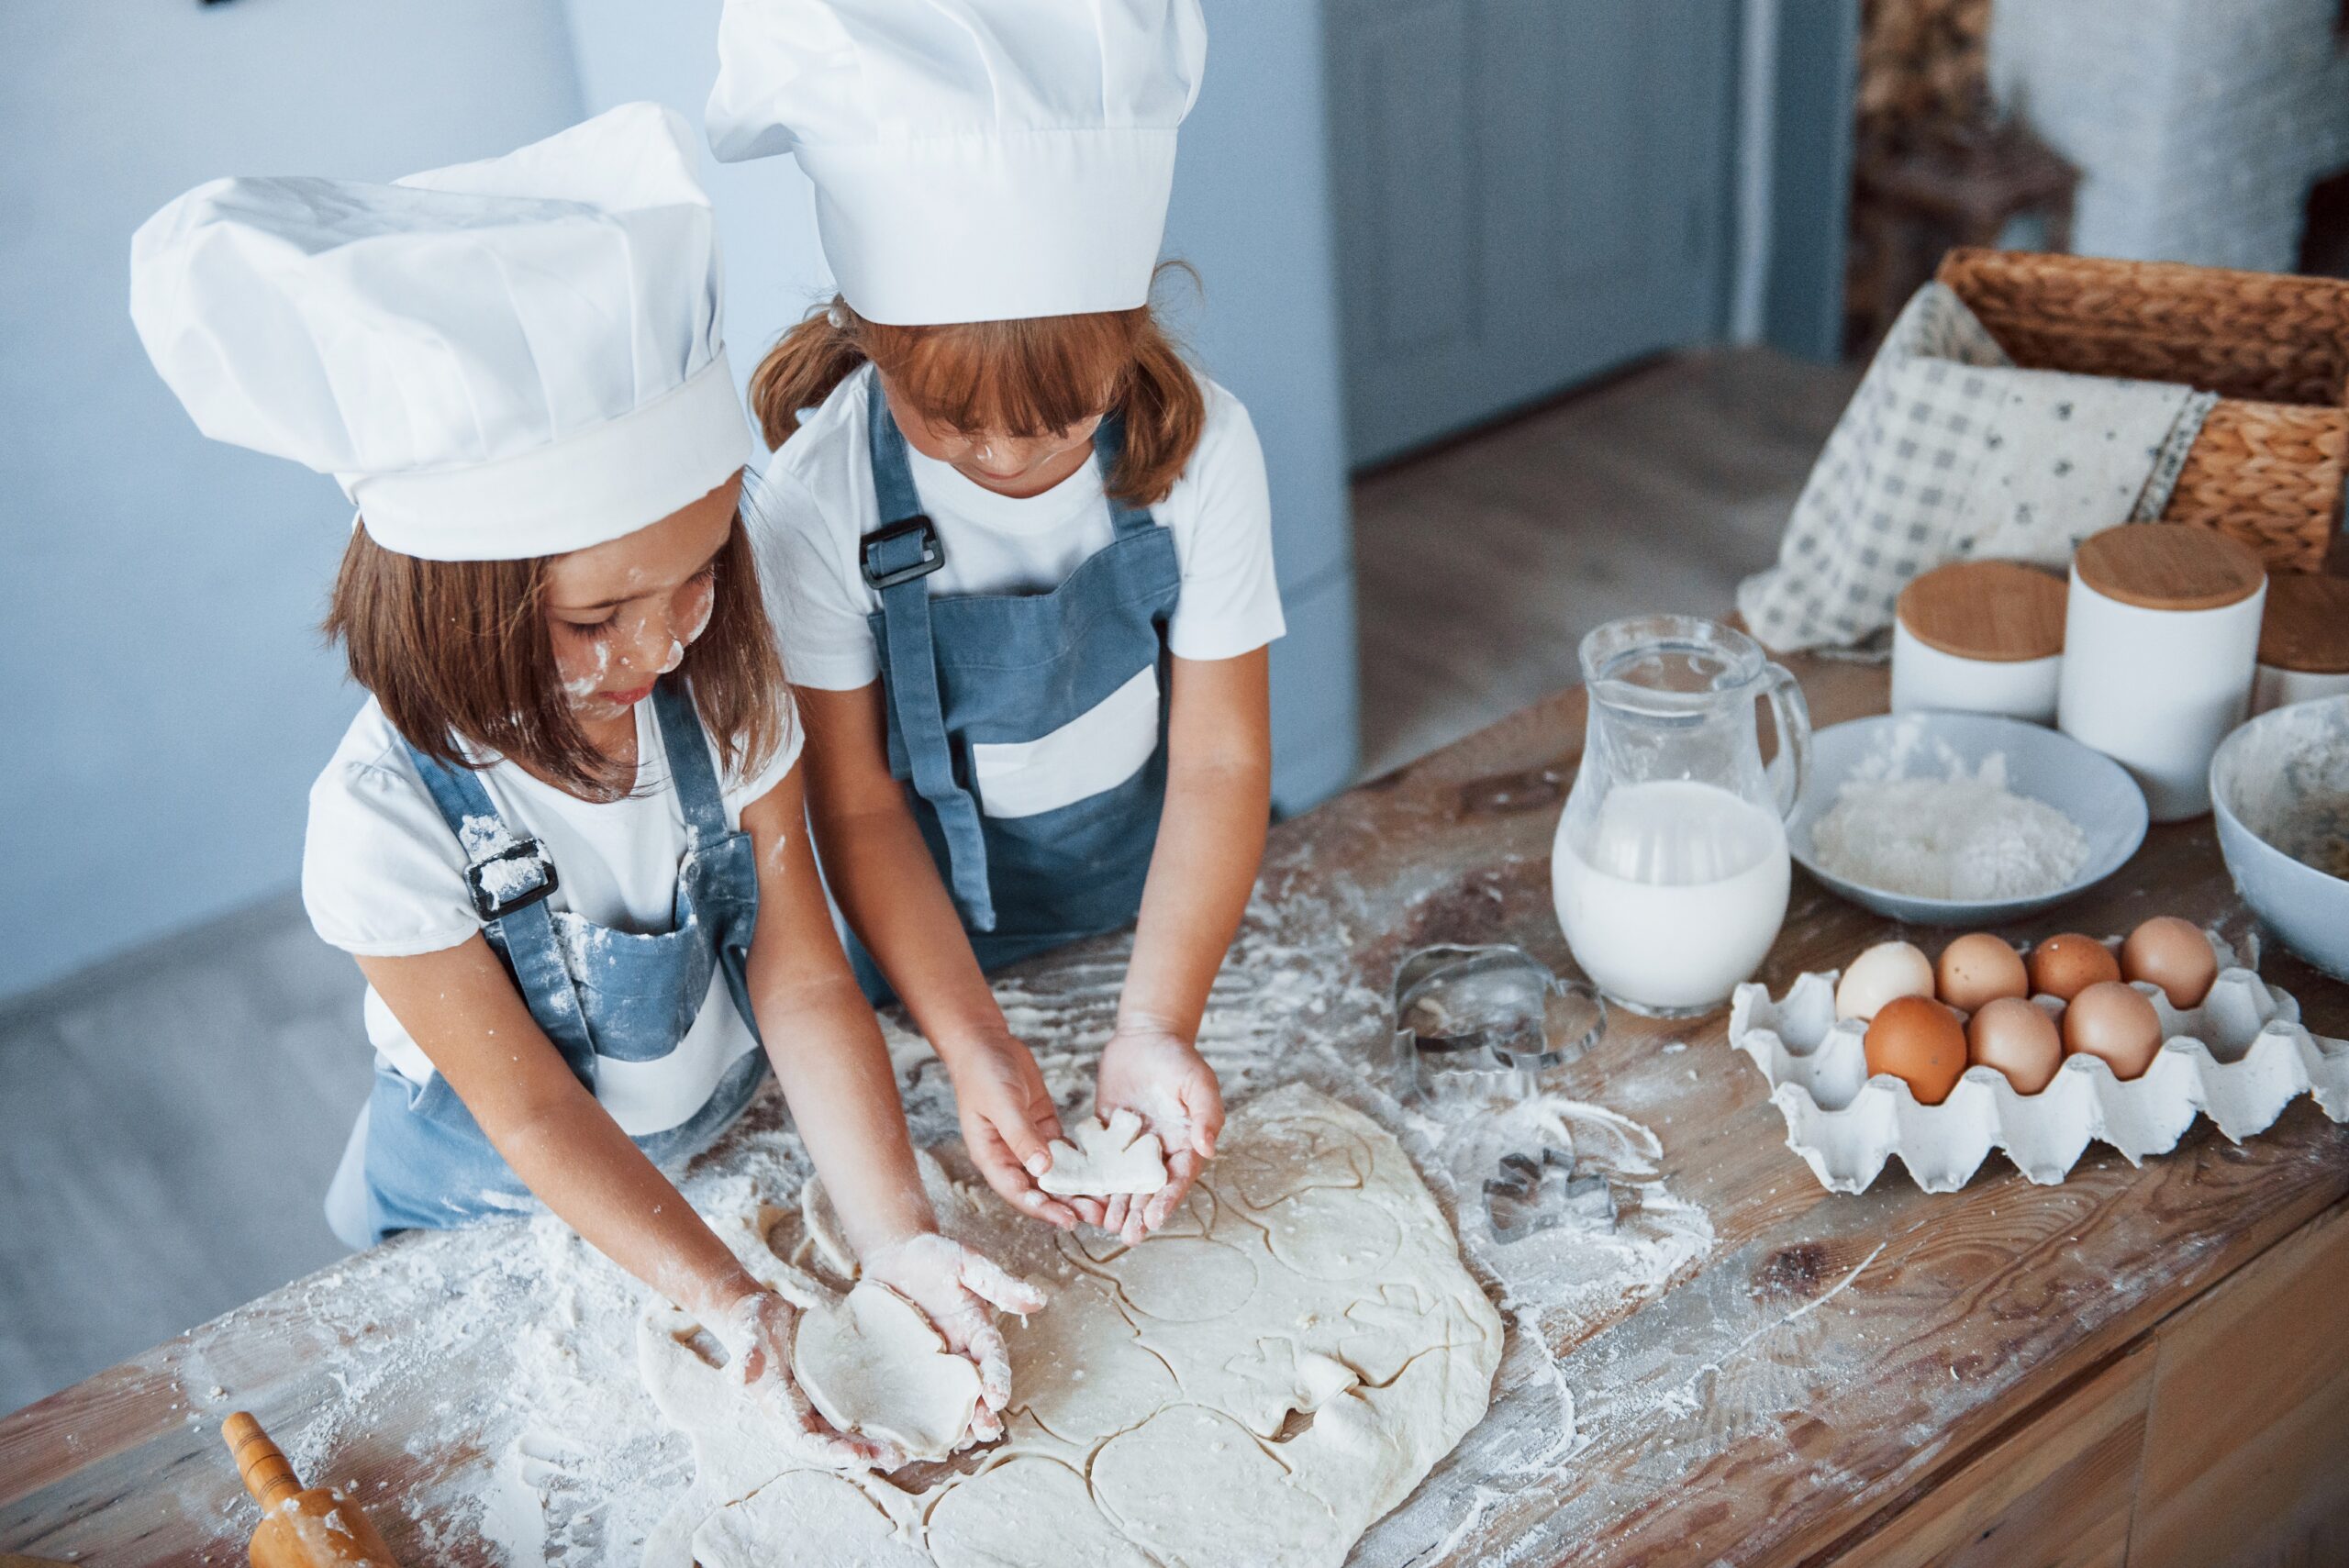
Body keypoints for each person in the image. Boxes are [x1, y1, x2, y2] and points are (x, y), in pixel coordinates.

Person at [129, 103, 1039, 1467]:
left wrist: (895, 1232)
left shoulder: (720, 696)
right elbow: (535, 1113)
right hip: (500, 1223)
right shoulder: (381, 822)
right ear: (456, 605)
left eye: (698, 578)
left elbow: (798, 978)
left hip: (721, 1139)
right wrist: (732, 1299)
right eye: (598, 615)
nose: (664, 642)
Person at [707, 0, 1284, 1248]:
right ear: (869, 338)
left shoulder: (1204, 451)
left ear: (1127, 334)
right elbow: (853, 805)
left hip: (1156, 898)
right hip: (931, 949)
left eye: (1066, 413)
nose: (1011, 454)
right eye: (953, 419)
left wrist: (1154, 1023)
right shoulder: (820, 499)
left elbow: (1225, 757)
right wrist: (969, 1040)